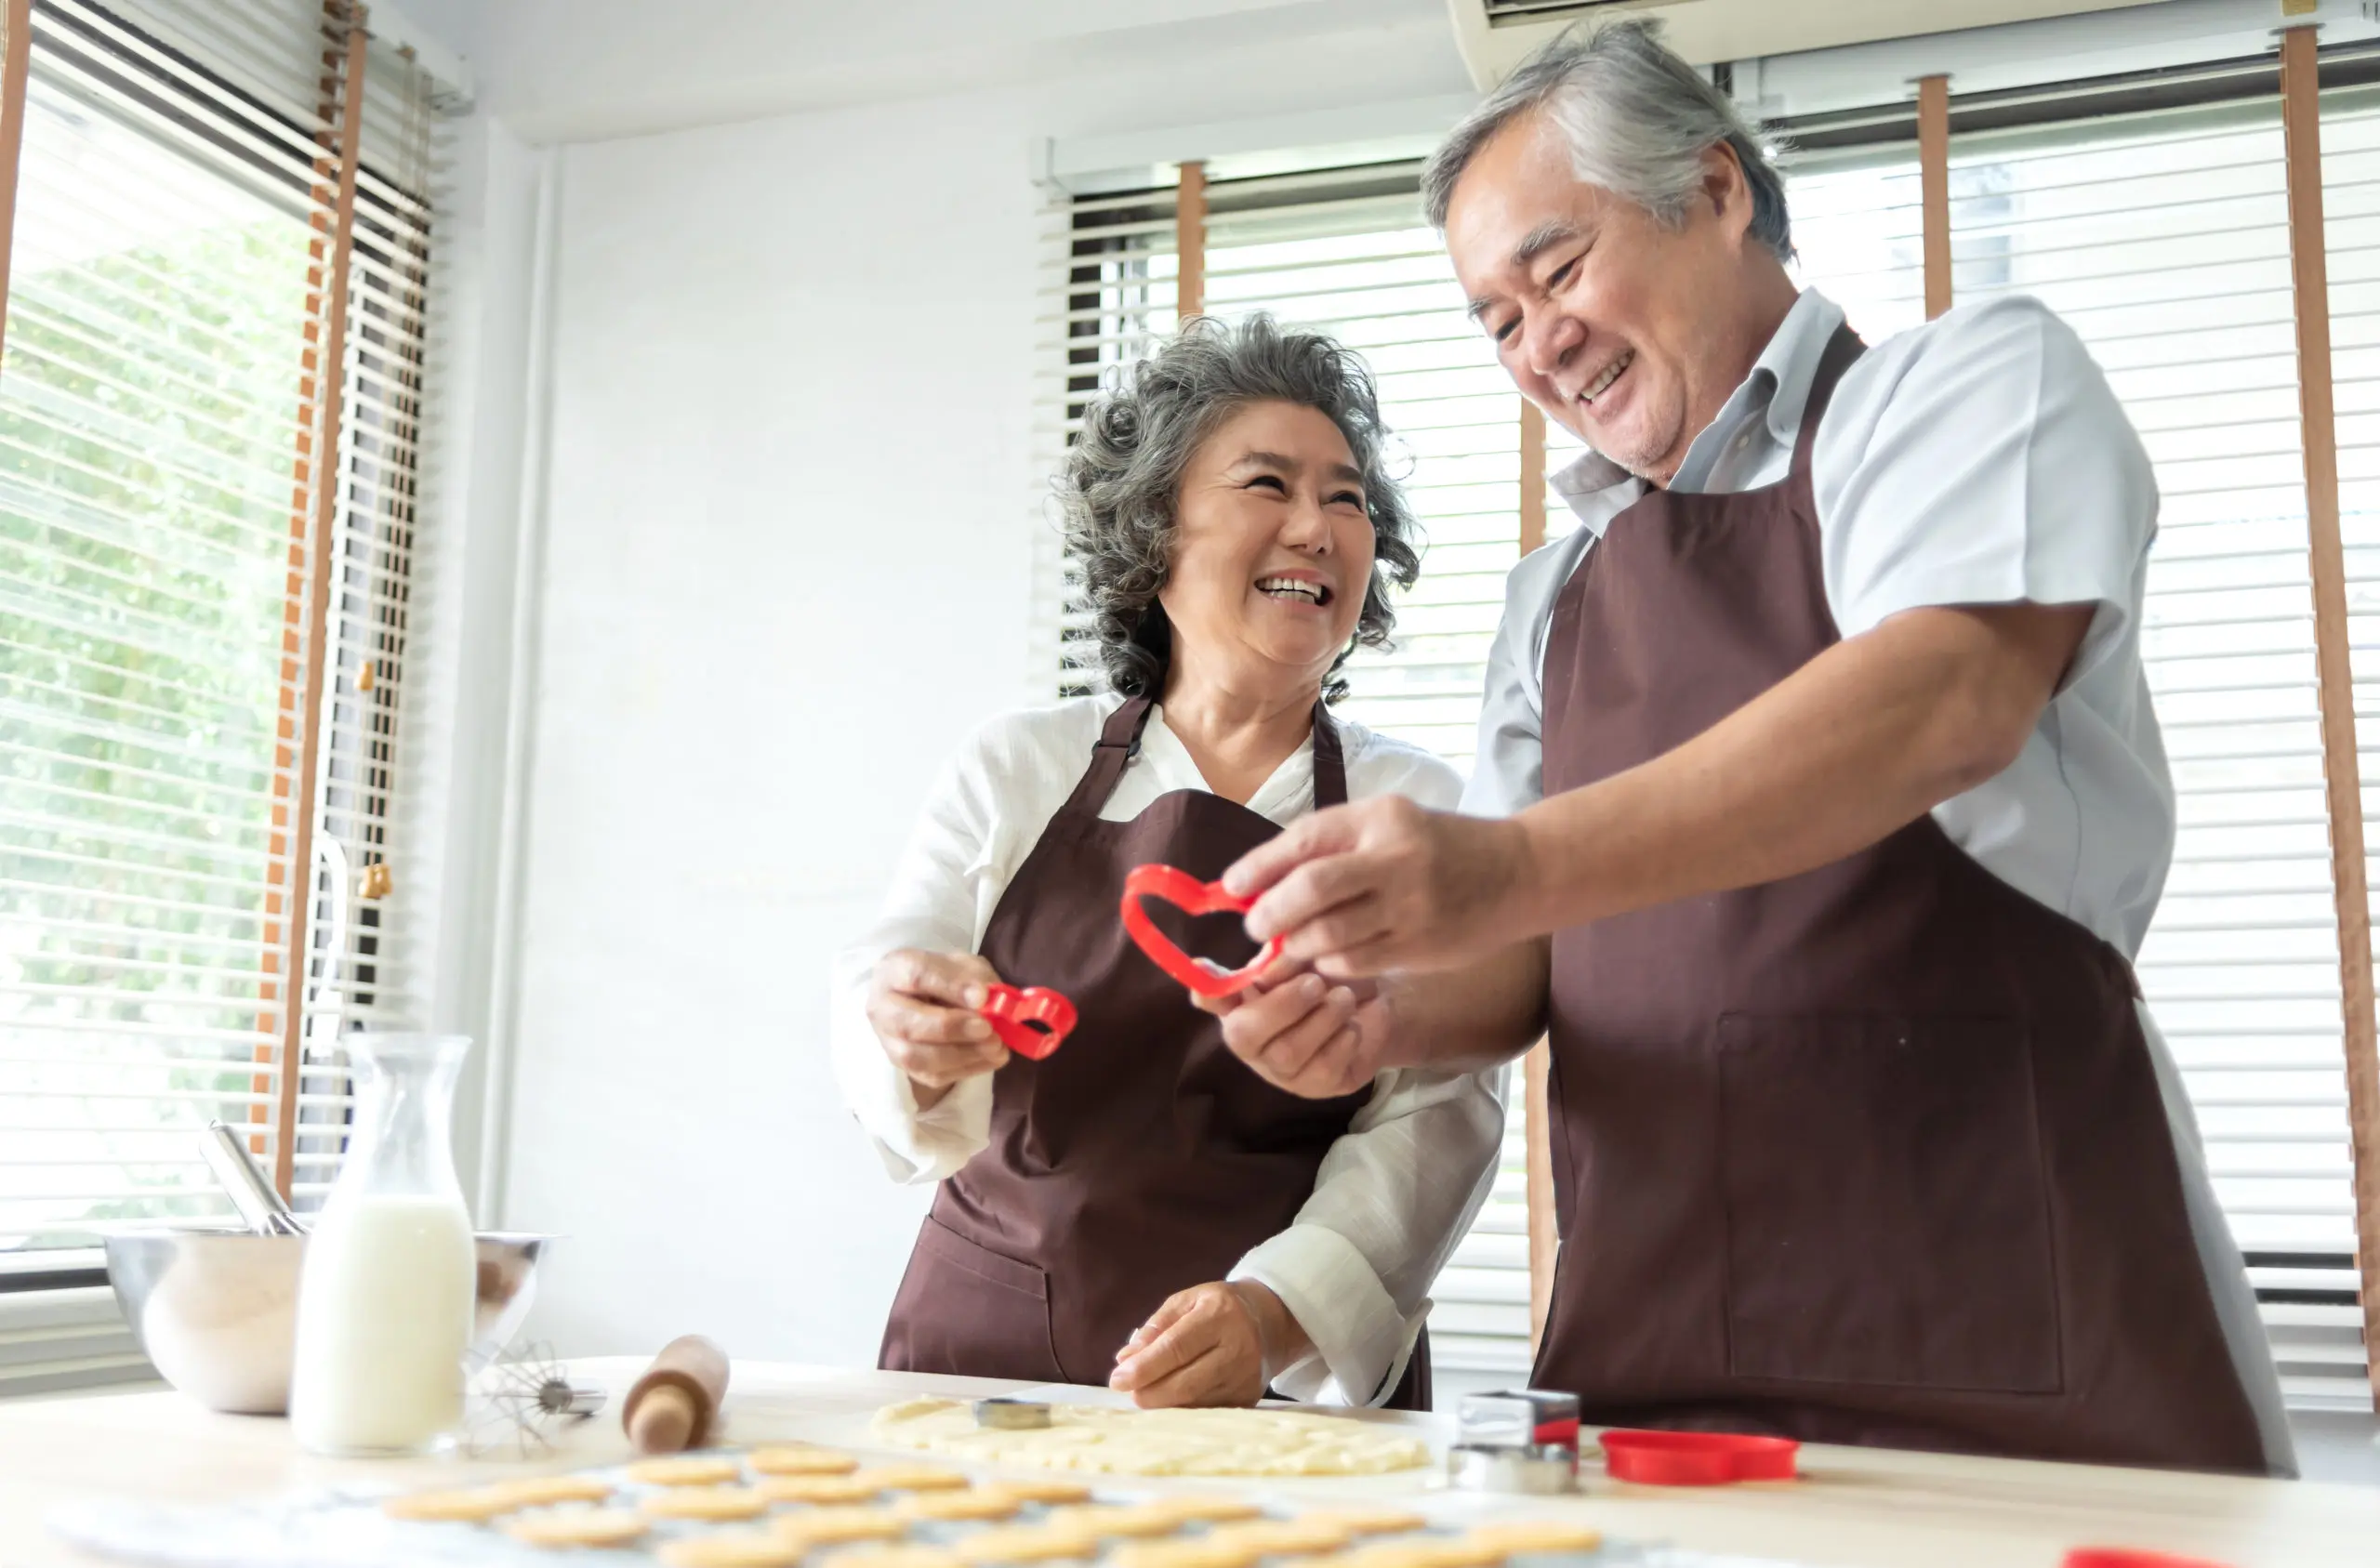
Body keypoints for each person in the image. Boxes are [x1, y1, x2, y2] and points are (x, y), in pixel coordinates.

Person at [1199, 22, 2294, 1474]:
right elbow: (1522, 953)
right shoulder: (1556, 599)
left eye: (1560, 270)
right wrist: (1386, 1013)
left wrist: (1503, 861)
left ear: (1715, 189)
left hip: (2011, 1325)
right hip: (1659, 1348)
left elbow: (1940, 697)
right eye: (1498, 320)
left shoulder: (1961, 390)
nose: (1541, 344)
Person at [831, 315, 1501, 1410]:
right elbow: (890, 968)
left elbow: (1439, 1111)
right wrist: (910, 1027)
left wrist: (1275, 1310)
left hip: (1280, 1381)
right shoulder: (1019, 766)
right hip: (988, 1362)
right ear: (1156, 531)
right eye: (1266, 484)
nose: (1316, 526)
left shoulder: (1416, 808)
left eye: (1347, 499)